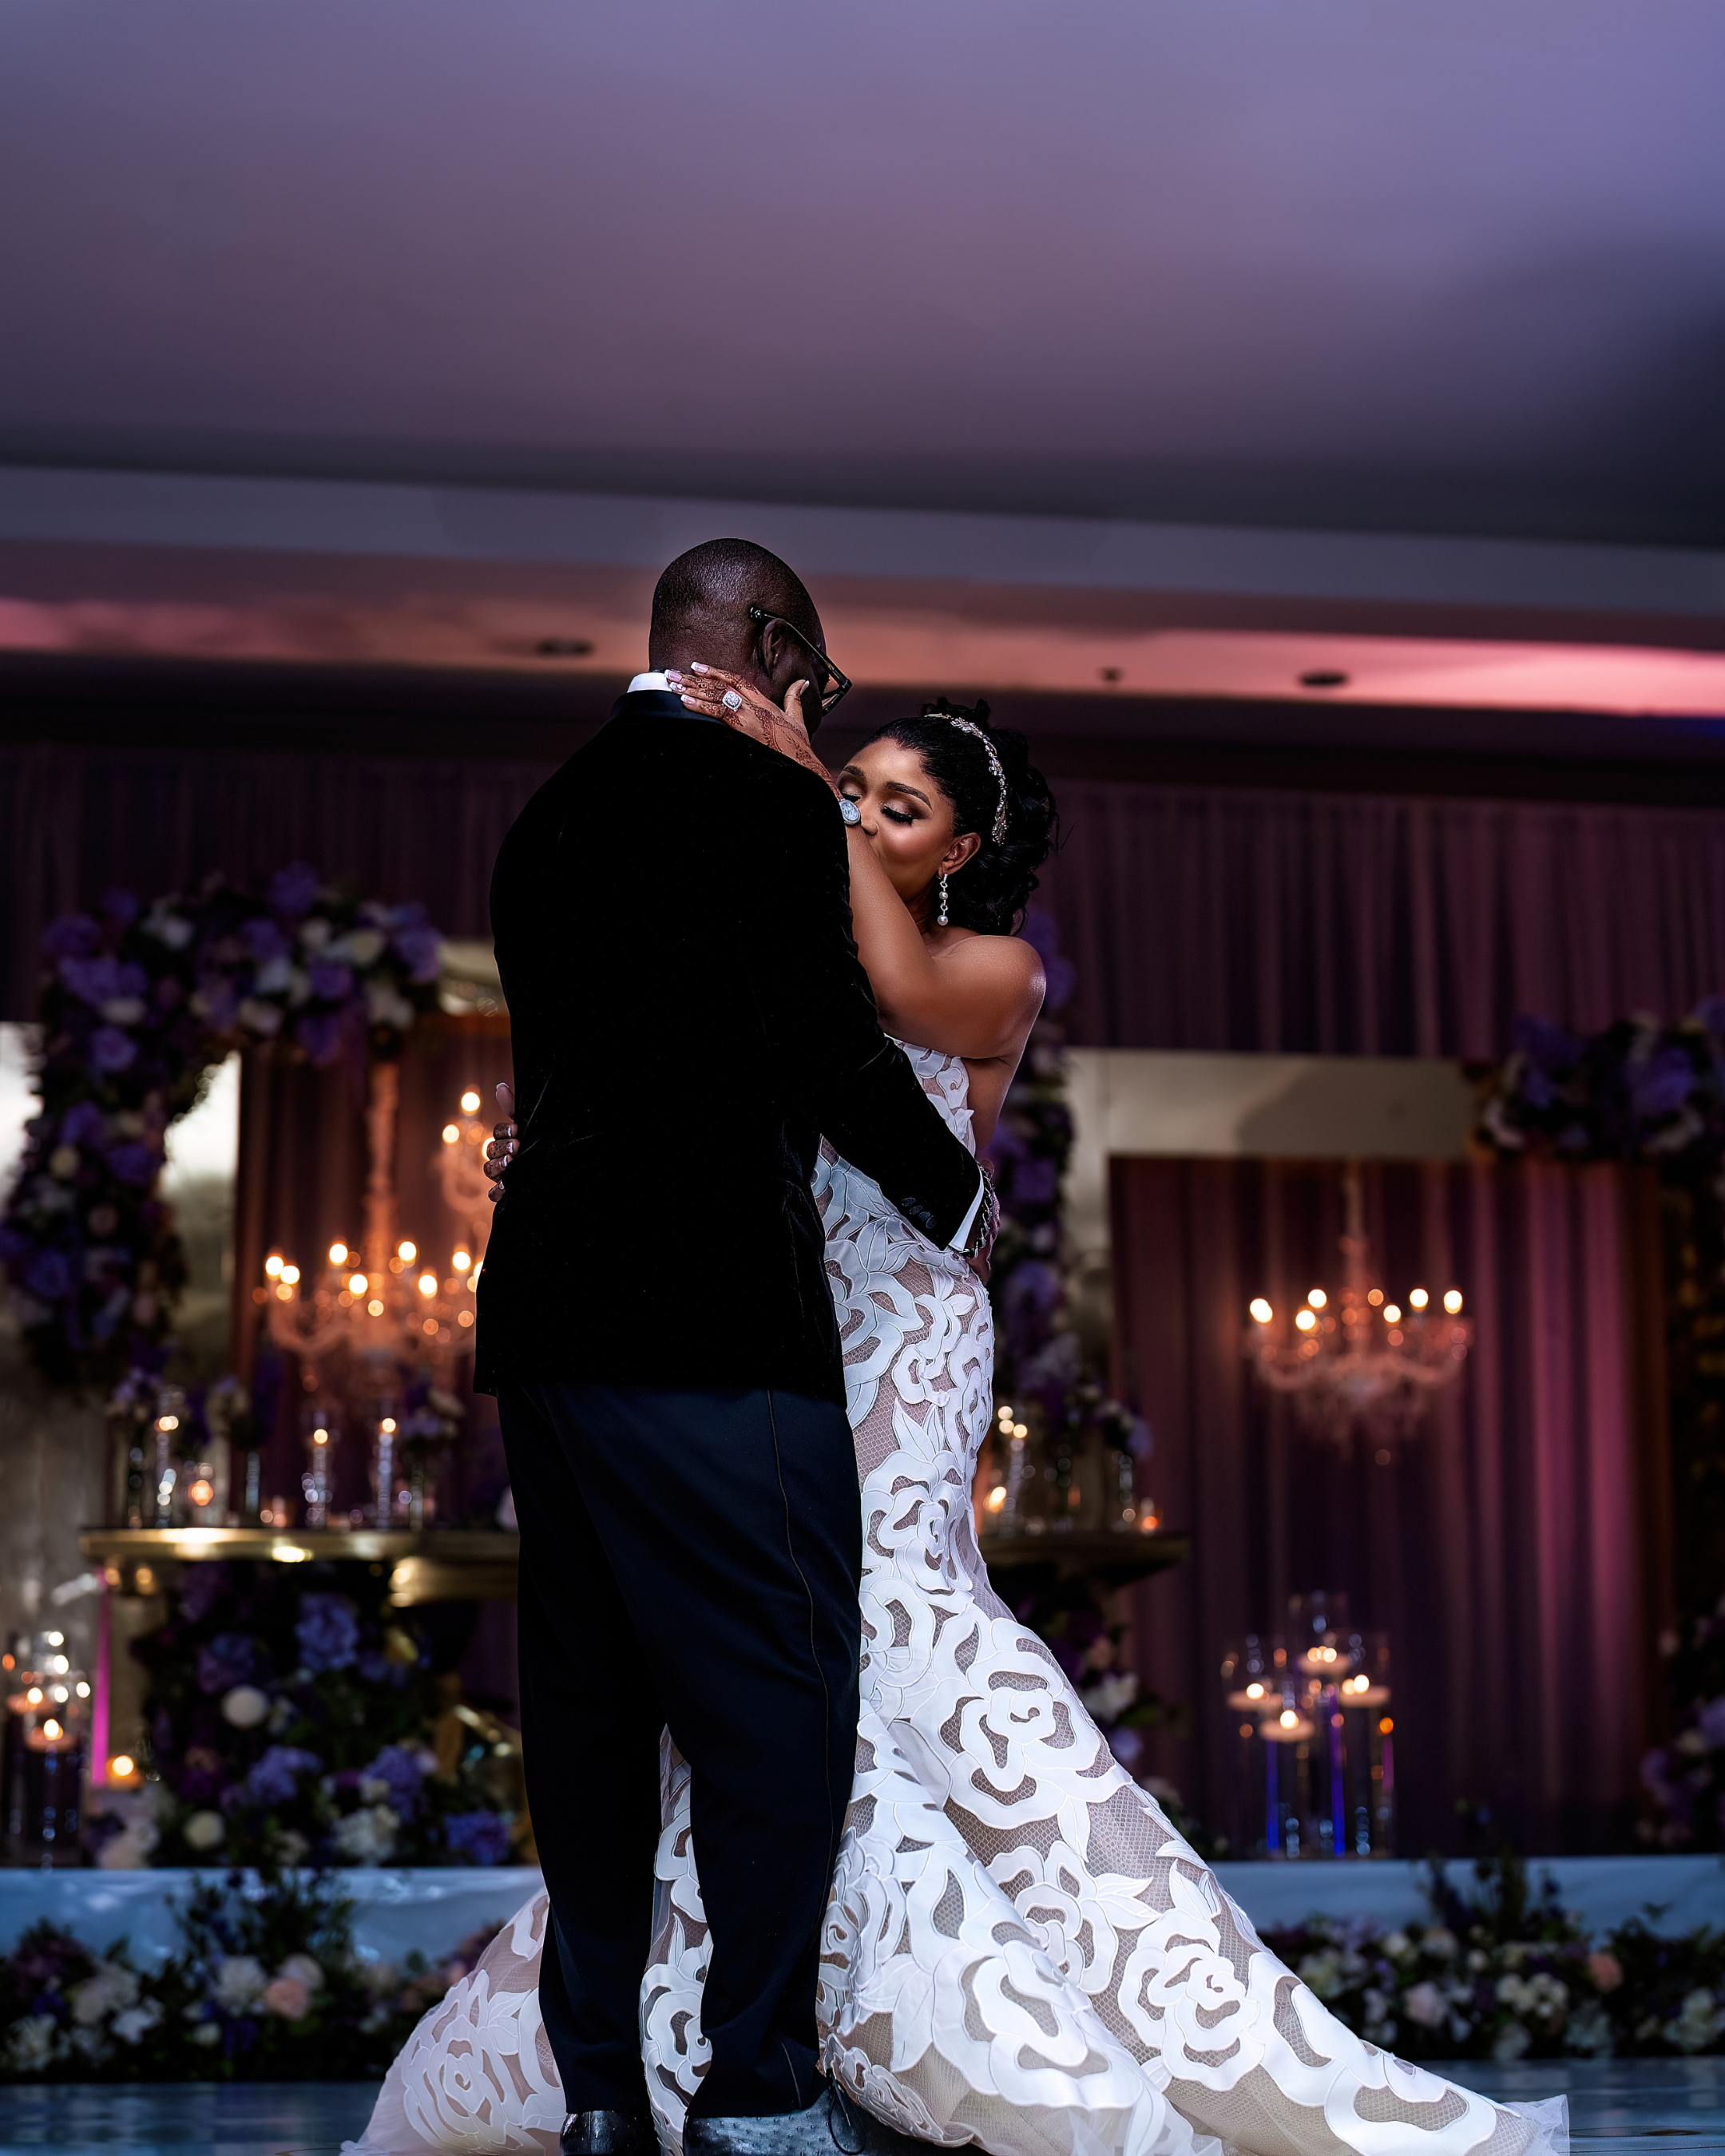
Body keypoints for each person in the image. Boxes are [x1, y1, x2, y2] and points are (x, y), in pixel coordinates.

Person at [352, 653, 1568, 2156]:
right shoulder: (790, 912)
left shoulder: (993, 966)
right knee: (758, 1670)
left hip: (904, 1336)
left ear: (962, 852)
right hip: (776, 1318)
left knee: (889, 1618)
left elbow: (894, 994)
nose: (860, 817)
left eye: (897, 807)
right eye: (855, 787)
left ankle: (896, 2033)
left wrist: (794, 794)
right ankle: (757, 2043)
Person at [458, 539, 996, 2156]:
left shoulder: (543, 813)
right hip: (708, 1319)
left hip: (545, 1321)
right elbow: (824, 1049)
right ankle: (757, 2086)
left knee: (591, 1709)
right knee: (781, 1693)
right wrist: (958, 1196)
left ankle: (605, 2095)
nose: (817, 709)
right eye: (813, 674)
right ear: (765, 643)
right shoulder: (766, 809)